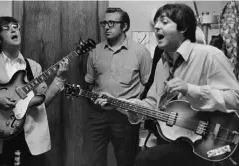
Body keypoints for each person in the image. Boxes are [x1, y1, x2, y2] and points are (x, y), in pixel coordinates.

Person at [94, 3, 239, 166]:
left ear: (183, 27)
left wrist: (190, 89)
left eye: (164, 22)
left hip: (212, 141)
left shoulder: (210, 56)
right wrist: (121, 104)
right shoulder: (161, 64)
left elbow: (235, 99)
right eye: (156, 23)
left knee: (144, 160)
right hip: (173, 139)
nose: (156, 27)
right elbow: (152, 104)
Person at [0, 16, 69, 166]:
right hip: (0, 131)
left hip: (29, 135)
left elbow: (43, 102)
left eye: (15, 26)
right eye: (6, 28)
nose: (13, 29)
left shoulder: (33, 67)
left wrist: (59, 79)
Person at [82, 7, 152, 166]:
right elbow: (89, 82)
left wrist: (135, 109)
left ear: (125, 26)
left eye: (112, 23)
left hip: (125, 117)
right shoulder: (95, 51)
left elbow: (148, 86)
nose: (106, 27)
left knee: (126, 161)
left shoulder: (140, 52)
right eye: (104, 23)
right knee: (92, 160)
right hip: (97, 117)